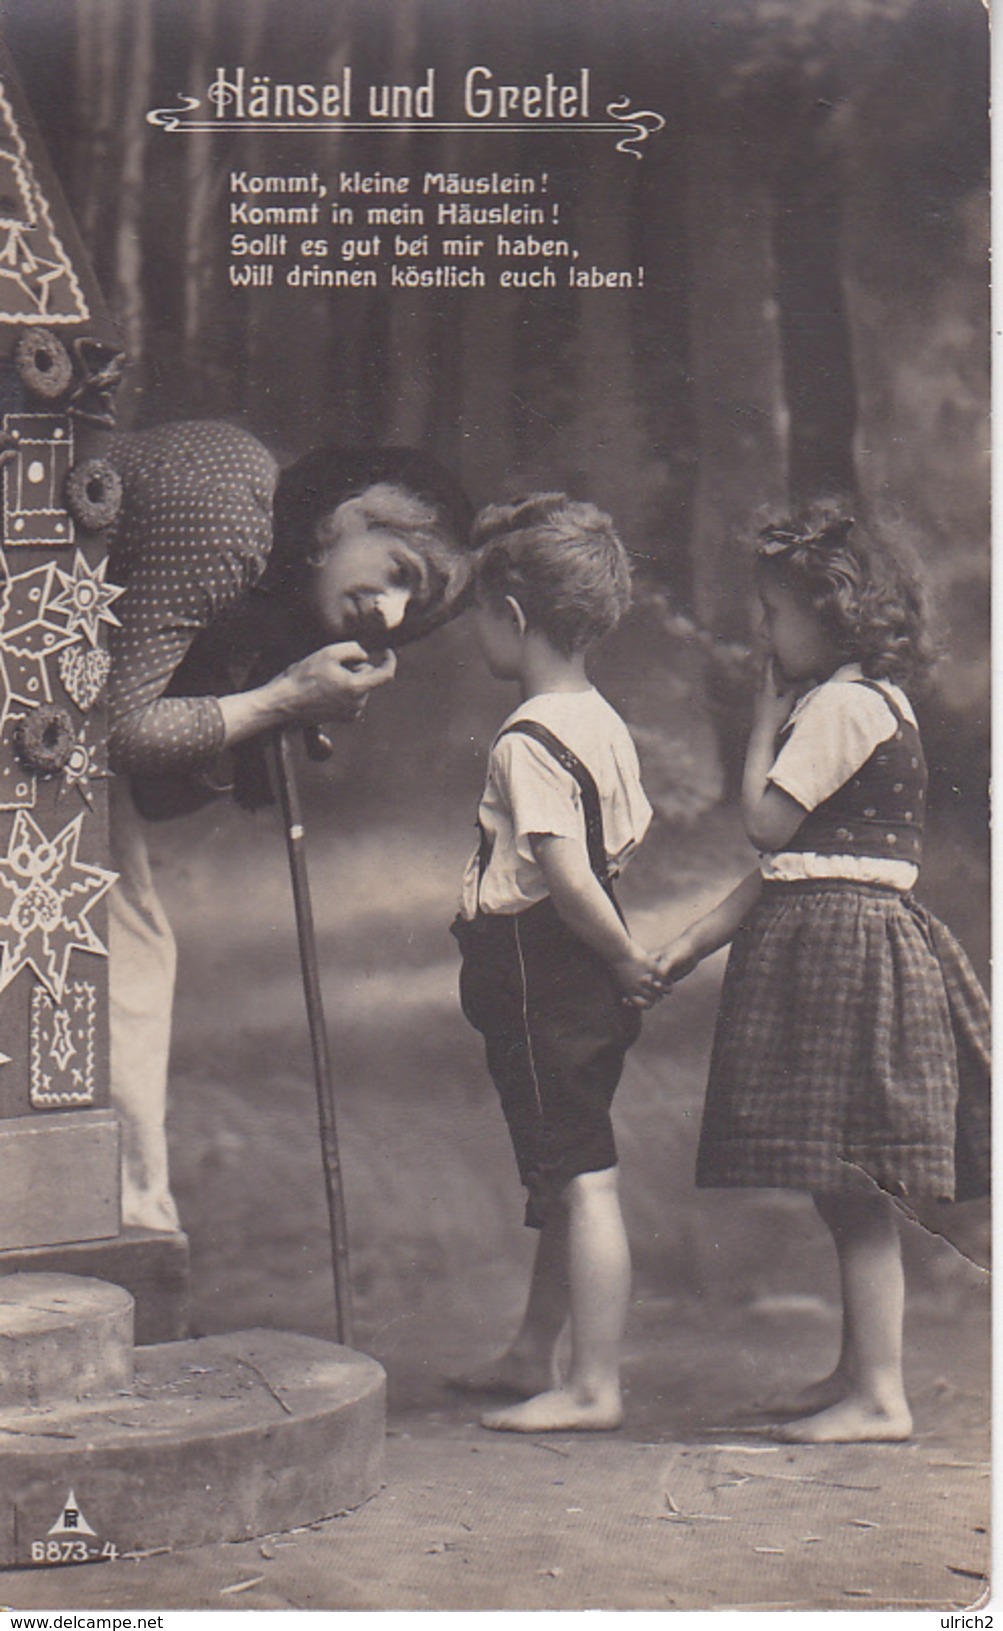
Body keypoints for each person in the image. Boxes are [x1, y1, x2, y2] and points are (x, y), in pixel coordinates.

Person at [656, 503, 990, 1443]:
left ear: (829, 612)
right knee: (839, 1181)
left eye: (771, 613)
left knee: (854, 1183)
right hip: (833, 941)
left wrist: (759, 723)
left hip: (842, 959)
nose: (763, 633)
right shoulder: (866, 702)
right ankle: (854, 1371)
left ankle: (879, 1395)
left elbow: (763, 826)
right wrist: (688, 944)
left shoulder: (839, 706)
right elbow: (788, 866)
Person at [103, 419, 473, 1233]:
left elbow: (155, 790)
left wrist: (274, 712)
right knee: (118, 946)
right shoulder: (233, 504)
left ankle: (127, 1231)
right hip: (24, 721)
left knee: (128, 943)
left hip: (35, 735)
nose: (392, 607)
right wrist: (275, 701)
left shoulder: (261, 577)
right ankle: (123, 1230)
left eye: (411, 609)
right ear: (352, 513)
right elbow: (115, 735)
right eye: (400, 571)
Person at [451, 493, 662, 1433]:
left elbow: (569, 879)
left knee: (580, 1173)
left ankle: (592, 1383)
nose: (476, 632)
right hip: (574, 963)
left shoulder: (527, 738)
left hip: (550, 965)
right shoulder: (602, 719)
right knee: (562, 1162)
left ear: (515, 617)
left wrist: (621, 957)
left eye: (479, 613)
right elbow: (616, 849)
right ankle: (534, 1351)